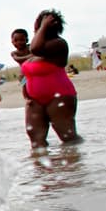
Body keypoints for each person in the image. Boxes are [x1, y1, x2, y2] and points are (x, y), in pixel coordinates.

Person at [22, 9, 81, 148]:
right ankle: (42, 169)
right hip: (35, 100)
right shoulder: (35, 48)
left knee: (68, 137)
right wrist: (25, 91)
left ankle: (76, 165)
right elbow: (25, 70)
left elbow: (36, 49)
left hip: (59, 96)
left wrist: (43, 27)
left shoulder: (58, 44)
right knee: (36, 140)